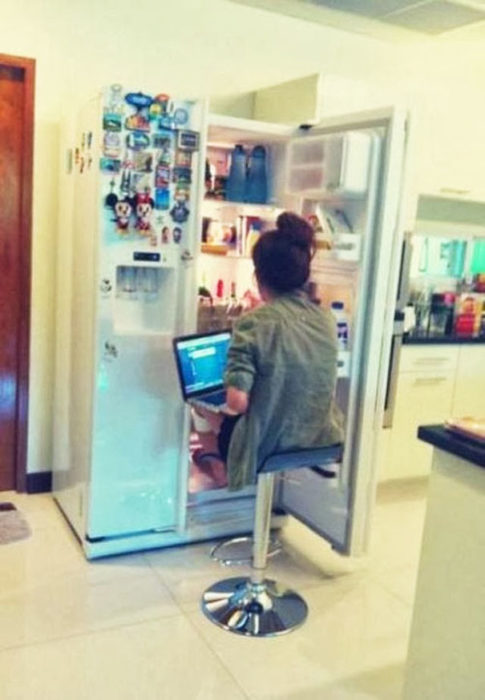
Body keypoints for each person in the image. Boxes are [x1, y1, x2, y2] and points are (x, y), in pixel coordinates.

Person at [194, 211, 344, 491]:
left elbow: (238, 402)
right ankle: (218, 461)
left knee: (198, 404)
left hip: (266, 444)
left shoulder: (253, 323)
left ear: (258, 276)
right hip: (319, 438)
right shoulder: (325, 318)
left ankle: (220, 465)